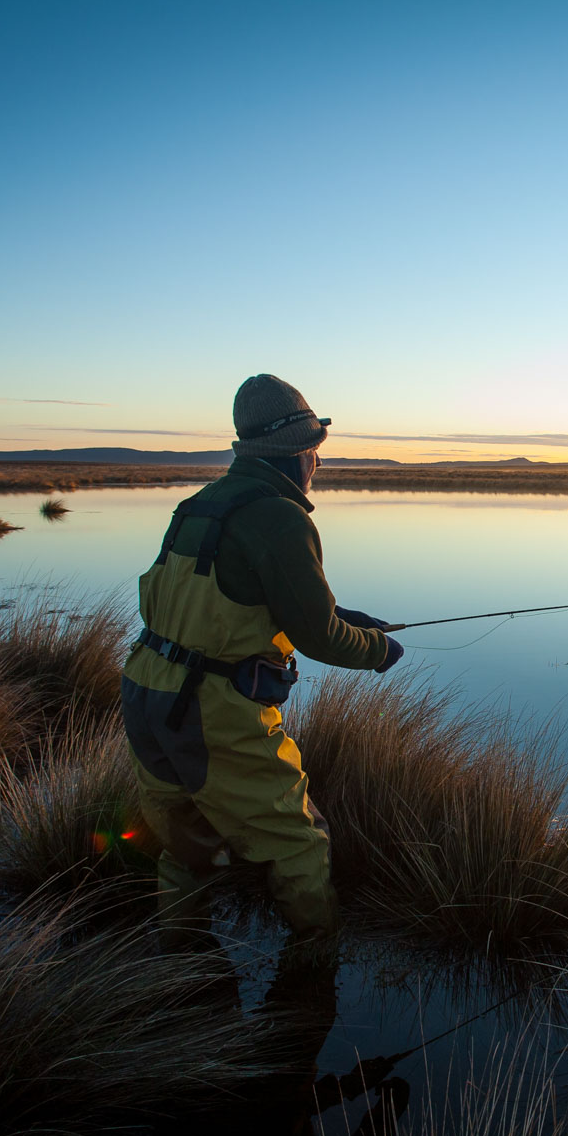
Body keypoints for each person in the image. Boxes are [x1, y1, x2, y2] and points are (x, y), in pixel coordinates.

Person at [120, 373, 404, 956]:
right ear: (294, 453)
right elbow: (321, 638)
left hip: (146, 695)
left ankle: (177, 962)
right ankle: (314, 973)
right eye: (314, 452)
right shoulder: (280, 517)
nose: (317, 465)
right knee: (298, 842)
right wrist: (377, 650)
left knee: (186, 842)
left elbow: (219, 600)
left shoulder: (198, 506)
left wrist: (340, 611)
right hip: (212, 712)